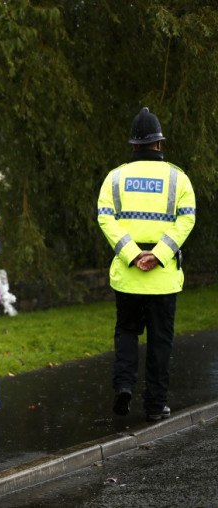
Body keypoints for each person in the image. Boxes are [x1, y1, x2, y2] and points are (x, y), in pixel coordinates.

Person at [97, 107, 196, 422]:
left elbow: (105, 218)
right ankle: (155, 405)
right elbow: (187, 219)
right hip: (163, 278)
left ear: (133, 145)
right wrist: (159, 255)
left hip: (128, 276)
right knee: (159, 340)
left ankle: (124, 386)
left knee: (126, 331)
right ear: (158, 143)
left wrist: (132, 254)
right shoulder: (178, 178)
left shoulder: (114, 178)